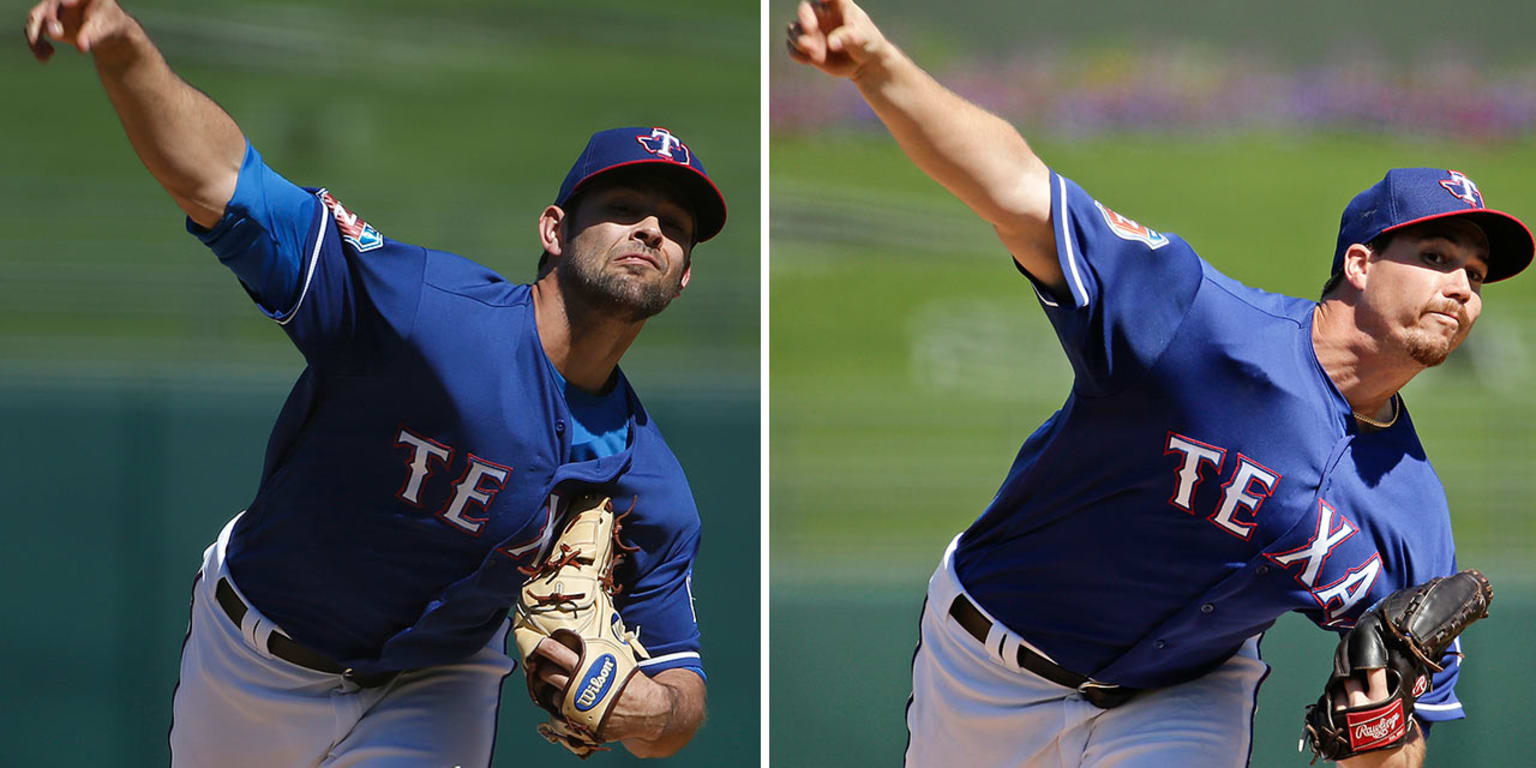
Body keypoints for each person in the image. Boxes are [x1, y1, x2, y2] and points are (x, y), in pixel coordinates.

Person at [785, 1, 1531, 766]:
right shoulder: (1198, 324)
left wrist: (1377, 731)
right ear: (1360, 264)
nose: (1462, 287)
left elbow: (1404, 748)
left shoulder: (1412, 514)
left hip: (1187, 697)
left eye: (1476, 276)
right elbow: (1017, 192)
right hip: (987, 667)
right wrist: (877, 67)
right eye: (1436, 258)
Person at [27, 1, 727, 764]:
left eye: (674, 228)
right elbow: (223, 182)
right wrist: (124, 48)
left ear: (684, 275)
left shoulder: (647, 481)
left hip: (435, 685)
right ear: (554, 230)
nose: (651, 230)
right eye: (624, 209)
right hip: (250, 658)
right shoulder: (428, 312)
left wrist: (650, 709)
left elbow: (681, 698)